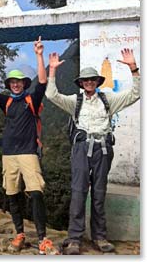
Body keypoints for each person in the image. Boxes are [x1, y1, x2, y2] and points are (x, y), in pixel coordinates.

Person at [45, 48, 140, 255]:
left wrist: (133, 68)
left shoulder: (108, 100)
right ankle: (74, 239)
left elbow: (137, 93)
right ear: (81, 83)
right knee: (79, 193)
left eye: (92, 80)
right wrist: (52, 71)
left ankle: (100, 237)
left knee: (99, 193)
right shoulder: (75, 102)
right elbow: (51, 94)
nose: (89, 83)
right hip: (81, 149)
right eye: (85, 80)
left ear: (97, 82)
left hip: (103, 149)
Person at [0, 37, 60, 255]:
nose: (15, 84)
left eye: (19, 82)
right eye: (12, 82)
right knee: (12, 194)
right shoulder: (7, 102)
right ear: (9, 85)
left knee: (36, 193)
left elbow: (43, 83)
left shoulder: (31, 101)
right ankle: (19, 233)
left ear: (24, 84)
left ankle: (43, 238)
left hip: (28, 154)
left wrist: (38, 55)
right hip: (8, 155)